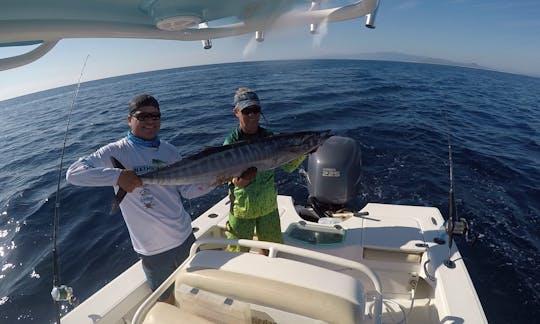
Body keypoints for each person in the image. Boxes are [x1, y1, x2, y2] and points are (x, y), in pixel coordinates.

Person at [66, 94, 219, 303]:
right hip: (153, 250)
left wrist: (214, 181)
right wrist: (118, 176)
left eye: (155, 116)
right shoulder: (116, 151)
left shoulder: (169, 150)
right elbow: (73, 173)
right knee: (166, 300)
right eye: (143, 116)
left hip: (185, 236)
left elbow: (187, 190)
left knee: (196, 291)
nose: (150, 121)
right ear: (129, 119)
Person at [224, 87, 305, 253]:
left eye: (256, 109)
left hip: (269, 207)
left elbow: (288, 166)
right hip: (242, 210)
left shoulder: (270, 136)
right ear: (236, 112)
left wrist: (304, 152)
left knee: (272, 250)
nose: (252, 115)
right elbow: (235, 182)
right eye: (247, 110)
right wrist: (245, 178)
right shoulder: (231, 141)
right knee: (237, 254)